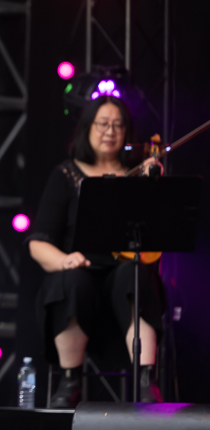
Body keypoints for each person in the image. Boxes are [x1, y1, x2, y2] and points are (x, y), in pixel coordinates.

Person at [27, 95, 165, 407]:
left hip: (123, 279)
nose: (110, 131)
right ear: (87, 127)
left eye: (118, 125)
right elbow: (38, 243)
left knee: (136, 275)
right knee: (70, 281)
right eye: (103, 124)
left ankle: (147, 381)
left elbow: (157, 233)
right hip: (80, 278)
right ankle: (70, 381)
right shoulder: (66, 175)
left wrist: (153, 186)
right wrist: (65, 260)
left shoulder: (137, 174)